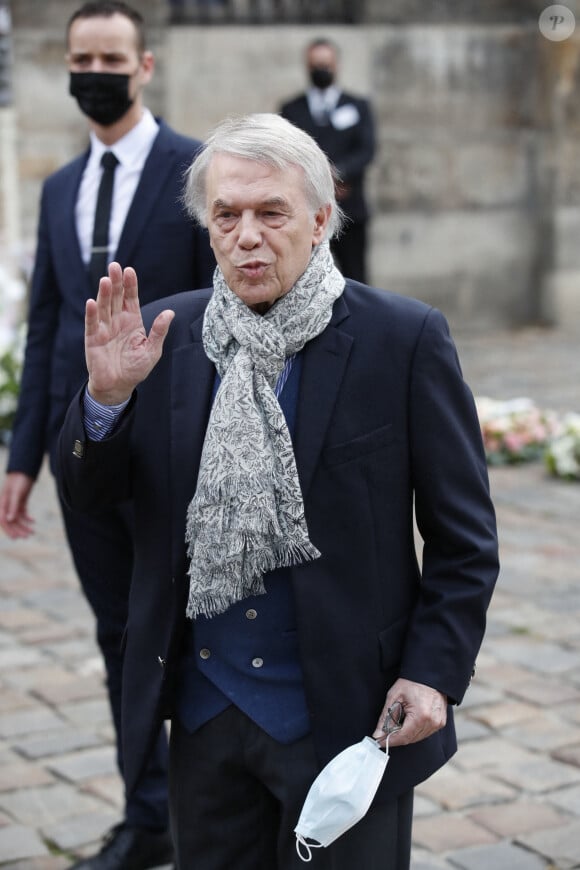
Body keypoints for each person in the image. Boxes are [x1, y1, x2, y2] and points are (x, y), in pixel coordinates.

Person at [56, 113, 499, 869]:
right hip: (202, 712)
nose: (247, 235)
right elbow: (93, 497)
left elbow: (465, 541)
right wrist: (105, 402)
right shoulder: (167, 336)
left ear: (322, 218)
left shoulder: (404, 339)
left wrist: (433, 671)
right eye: (227, 215)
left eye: (272, 213)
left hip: (347, 715)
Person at [0, 3, 215, 868]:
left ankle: (213, 809)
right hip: (83, 455)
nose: (95, 69)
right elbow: (49, 329)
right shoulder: (57, 187)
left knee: (190, 637)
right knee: (118, 638)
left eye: (110, 56)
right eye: (80, 55)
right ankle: (147, 815)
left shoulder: (196, 169)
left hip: (180, 457)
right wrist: (21, 459)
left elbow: (220, 319)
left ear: (145, 66)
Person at [279, 37, 376, 284]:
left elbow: (366, 149)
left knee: (356, 276)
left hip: (349, 207)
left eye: (325, 64)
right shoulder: (291, 109)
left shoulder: (357, 106)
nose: (321, 70)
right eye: (315, 65)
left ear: (336, 65)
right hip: (307, 209)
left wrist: (337, 174)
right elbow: (286, 151)